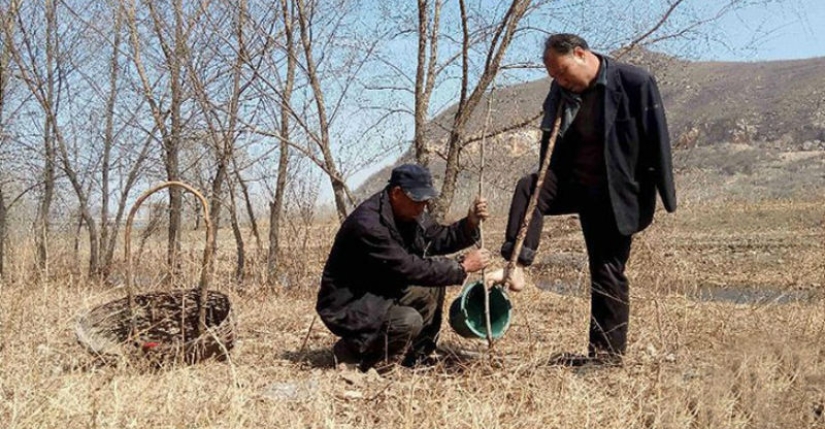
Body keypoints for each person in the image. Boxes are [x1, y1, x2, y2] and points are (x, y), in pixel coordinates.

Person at [491, 33, 676, 366]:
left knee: (607, 270)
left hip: (617, 193)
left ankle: (606, 357)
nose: (559, 81)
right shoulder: (561, 92)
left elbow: (657, 138)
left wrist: (664, 196)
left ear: (580, 53)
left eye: (562, 72)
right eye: (554, 77)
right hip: (574, 182)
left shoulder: (634, 82)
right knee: (530, 186)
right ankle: (516, 264)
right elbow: (552, 138)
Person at [317, 163, 491, 371]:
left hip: (381, 288)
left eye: (426, 201)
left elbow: (435, 239)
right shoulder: (369, 224)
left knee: (434, 285)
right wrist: (461, 267)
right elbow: (409, 267)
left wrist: (469, 223)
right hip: (351, 303)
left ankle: (418, 355)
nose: (423, 208)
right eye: (418, 201)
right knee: (408, 321)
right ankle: (352, 350)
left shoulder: (411, 212)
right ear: (397, 193)